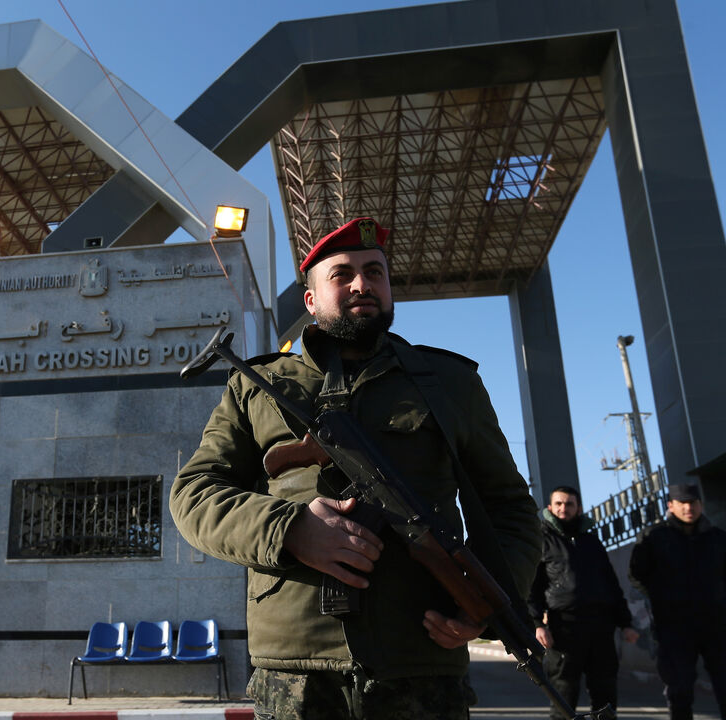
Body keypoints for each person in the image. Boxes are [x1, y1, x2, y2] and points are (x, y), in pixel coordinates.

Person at [170, 217, 541, 720]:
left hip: (421, 662)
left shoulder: (449, 383)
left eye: (374, 272)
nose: (362, 284)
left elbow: (510, 509)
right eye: (341, 274)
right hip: (295, 672)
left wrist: (486, 604)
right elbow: (194, 494)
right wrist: (291, 528)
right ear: (310, 300)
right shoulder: (257, 385)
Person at [629, 483, 726, 720]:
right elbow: (637, 574)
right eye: (682, 503)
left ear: (701, 504)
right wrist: (661, 599)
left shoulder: (718, 538)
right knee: (680, 691)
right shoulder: (655, 537)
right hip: (674, 627)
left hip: (717, 625)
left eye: (693, 502)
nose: (688, 508)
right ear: (671, 506)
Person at [529, 485, 640, 720]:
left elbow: (612, 586)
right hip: (564, 627)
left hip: (601, 626)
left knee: (605, 692)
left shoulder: (592, 542)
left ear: (578, 508)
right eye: (558, 504)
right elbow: (533, 588)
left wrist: (626, 623)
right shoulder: (542, 541)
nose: (563, 508)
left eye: (569, 504)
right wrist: (538, 623)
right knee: (563, 695)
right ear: (550, 507)